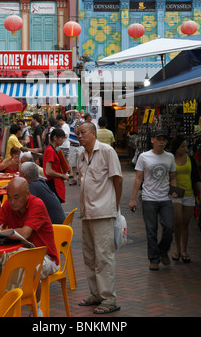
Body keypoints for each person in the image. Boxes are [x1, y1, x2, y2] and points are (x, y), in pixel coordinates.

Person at [0, 177, 59, 316]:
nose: (12, 202)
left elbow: (25, 233)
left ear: (27, 194)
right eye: (9, 197)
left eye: (16, 197)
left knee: (28, 266)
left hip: (46, 257)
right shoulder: (8, 205)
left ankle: (36, 311)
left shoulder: (37, 204)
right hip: (16, 255)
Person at [77, 122, 123, 315]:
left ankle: (109, 299)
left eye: (83, 132)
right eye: (77, 133)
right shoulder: (81, 156)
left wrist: (115, 205)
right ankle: (95, 294)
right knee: (89, 256)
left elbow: (118, 180)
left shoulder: (107, 151)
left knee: (103, 257)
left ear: (94, 134)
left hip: (103, 212)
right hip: (87, 213)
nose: (80, 136)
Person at [129, 129, 177, 271]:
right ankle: (154, 259)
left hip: (165, 198)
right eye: (158, 139)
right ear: (152, 140)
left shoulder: (170, 157)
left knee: (169, 227)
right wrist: (133, 199)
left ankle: (163, 250)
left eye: (164, 139)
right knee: (151, 231)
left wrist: (174, 192)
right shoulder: (144, 157)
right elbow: (138, 178)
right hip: (149, 198)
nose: (161, 142)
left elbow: (173, 176)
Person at [170, 136, 201, 263]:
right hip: (176, 193)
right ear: (177, 147)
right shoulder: (170, 159)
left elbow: (196, 178)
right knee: (177, 221)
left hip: (189, 193)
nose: (185, 149)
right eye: (182, 146)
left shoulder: (190, 159)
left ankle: (184, 250)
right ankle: (177, 249)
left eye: (186, 146)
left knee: (185, 223)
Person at [43, 128, 69, 203]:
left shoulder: (52, 149)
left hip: (54, 182)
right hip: (53, 183)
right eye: (61, 138)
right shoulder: (50, 150)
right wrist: (62, 175)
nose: (63, 140)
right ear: (55, 138)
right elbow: (48, 171)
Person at [68, 111, 83, 186]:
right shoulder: (72, 122)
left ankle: (80, 179)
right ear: (74, 117)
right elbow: (67, 113)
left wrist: (77, 123)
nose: (77, 117)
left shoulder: (82, 123)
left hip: (79, 146)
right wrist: (73, 111)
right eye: (76, 116)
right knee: (73, 163)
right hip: (72, 146)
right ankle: (74, 179)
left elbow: (76, 132)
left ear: (80, 116)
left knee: (80, 163)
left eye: (79, 115)